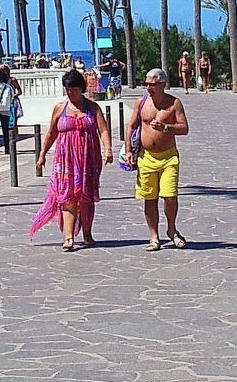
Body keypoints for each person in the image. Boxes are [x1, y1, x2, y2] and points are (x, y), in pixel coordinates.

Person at [30, 68, 113, 250]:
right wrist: (42, 154)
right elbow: (51, 133)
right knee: (68, 197)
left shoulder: (92, 108)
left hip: (88, 158)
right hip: (65, 158)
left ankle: (87, 233)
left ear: (81, 88)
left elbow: (103, 130)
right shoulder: (60, 108)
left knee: (86, 197)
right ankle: (68, 237)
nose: (70, 92)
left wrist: (108, 149)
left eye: (73, 89)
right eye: (67, 89)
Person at [128, 67, 190, 250]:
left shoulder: (174, 103)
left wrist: (166, 128)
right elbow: (131, 126)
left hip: (168, 157)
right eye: (147, 84)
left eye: (153, 85)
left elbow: (184, 128)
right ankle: (154, 236)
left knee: (170, 196)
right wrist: (128, 150)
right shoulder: (141, 102)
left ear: (163, 84)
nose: (149, 88)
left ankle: (171, 229)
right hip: (146, 157)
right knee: (150, 198)